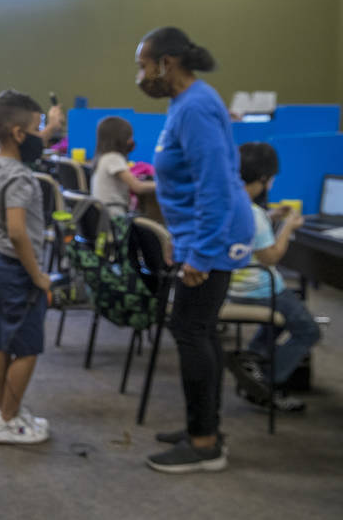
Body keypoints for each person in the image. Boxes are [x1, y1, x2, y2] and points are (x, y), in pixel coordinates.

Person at [137, 27, 254, 474]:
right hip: (203, 237)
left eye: (143, 64)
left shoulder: (198, 107)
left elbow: (216, 187)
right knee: (197, 330)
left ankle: (204, 443)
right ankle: (203, 428)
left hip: (218, 238)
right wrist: (183, 245)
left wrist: (201, 255)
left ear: (167, 63)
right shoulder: (184, 104)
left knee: (191, 330)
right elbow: (187, 185)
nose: (141, 74)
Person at [0, 89, 64, 445]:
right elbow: (17, 232)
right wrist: (38, 276)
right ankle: (8, 421)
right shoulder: (21, 178)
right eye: (37, 126)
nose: (41, 133)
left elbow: (26, 145)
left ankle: (4, 411)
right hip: (16, 268)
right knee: (27, 347)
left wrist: (51, 129)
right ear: (18, 134)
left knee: (2, 341)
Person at [225, 142, 319, 412]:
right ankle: (266, 382)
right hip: (259, 290)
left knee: (284, 315)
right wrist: (287, 226)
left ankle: (252, 359)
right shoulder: (254, 214)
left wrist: (270, 216)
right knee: (308, 329)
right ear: (265, 179)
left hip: (230, 286)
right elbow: (271, 257)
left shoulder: (230, 201)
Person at [90, 115, 155, 217]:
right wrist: (163, 185)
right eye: (129, 137)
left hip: (103, 215)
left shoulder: (103, 157)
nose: (131, 141)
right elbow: (137, 187)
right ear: (120, 139)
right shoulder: (113, 158)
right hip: (114, 215)